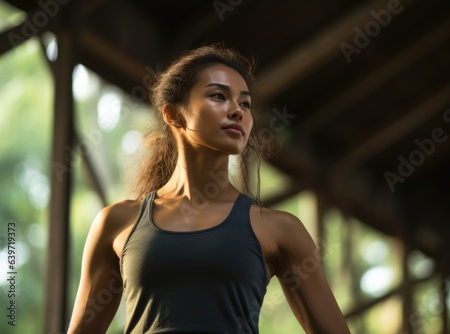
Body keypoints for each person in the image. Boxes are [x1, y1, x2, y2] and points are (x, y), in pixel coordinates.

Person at [68, 44, 351, 334]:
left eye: (245, 104)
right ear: (173, 115)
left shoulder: (280, 229)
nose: (237, 112)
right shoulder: (116, 223)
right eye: (218, 96)